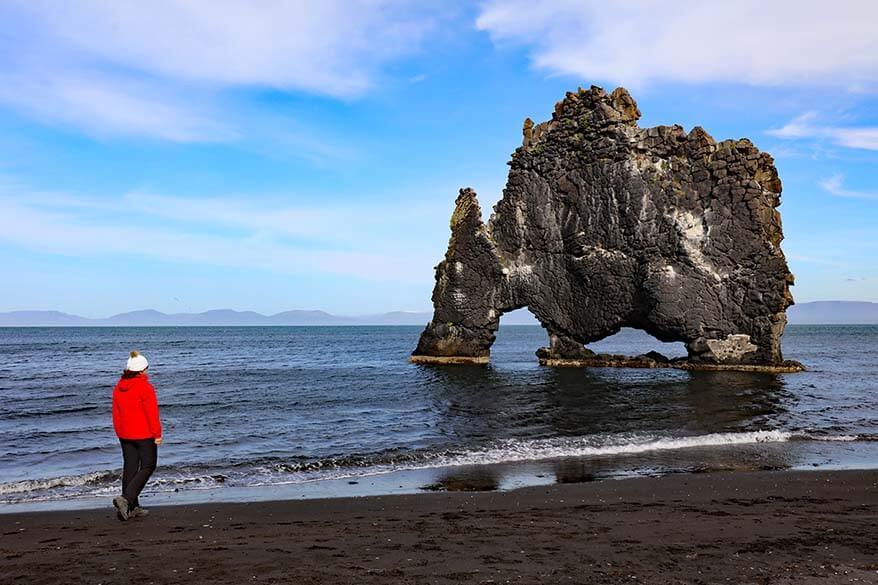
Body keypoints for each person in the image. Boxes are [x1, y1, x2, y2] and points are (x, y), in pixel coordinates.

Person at [111, 350, 162, 521]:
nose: (147, 371)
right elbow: (152, 413)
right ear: (141, 371)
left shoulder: (118, 387)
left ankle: (132, 507)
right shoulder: (145, 387)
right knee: (148, 465)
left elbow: (116, 413)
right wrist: (157, 434)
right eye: (146, 368)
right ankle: (126, 499)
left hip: (125, 433)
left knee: (131, 467)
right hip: (143, 433)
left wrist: (119, 431)